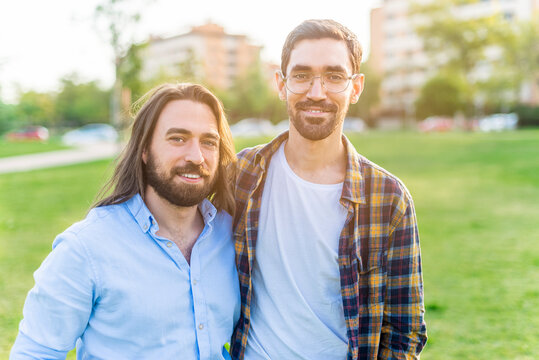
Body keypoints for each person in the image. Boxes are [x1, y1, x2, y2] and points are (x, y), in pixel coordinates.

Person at [230, 19, 427, 359]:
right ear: (281, 83)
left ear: (355, 87)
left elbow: (404, 331)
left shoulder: (389, 198)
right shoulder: (240, 175)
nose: (316, 92)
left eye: (334, 76)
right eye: (302, 75)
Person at [10, 83, 240, 359]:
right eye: (178, 139)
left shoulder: (232, 236)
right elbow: (35, 353)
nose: (196, 156)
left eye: (208, 142)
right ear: (144, 150)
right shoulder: (86, 249)